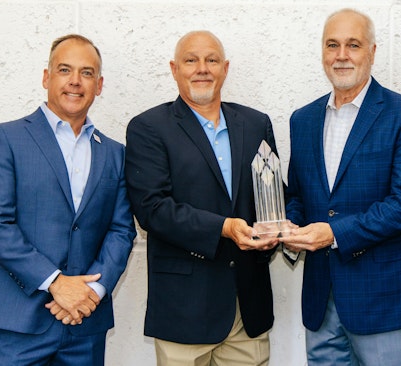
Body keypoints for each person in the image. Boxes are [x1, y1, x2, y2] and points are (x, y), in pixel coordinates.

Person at [0, 34, 137, 365]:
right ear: (47, 77)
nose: (75, 81)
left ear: (99, 85)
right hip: (17, 324)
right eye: (65, 70)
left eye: (87, 73)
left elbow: (122, 231)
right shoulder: (4, 138)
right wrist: (57, 283)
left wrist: (91, 293)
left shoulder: (115, 154)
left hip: (85, 327)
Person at [280, 8, 401, 366]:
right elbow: (298, 195)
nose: (342, 55)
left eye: (353, 44)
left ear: (372, 52)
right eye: (332, 45)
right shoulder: (302, 119)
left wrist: (333, 232)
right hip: (320, 298)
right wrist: (288, 224)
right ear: (322, 52)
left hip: (384, 299)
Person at [125, 30, 279, 365]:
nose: (202, 68)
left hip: (246, 311)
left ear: (225, 68)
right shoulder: (148, 128)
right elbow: (152, 210)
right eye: (191, 60)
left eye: (211, 60)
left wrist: (274, 235)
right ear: (174, 68)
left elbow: (272, 197)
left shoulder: (256, 124)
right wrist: (224, 227)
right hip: (184, 312)